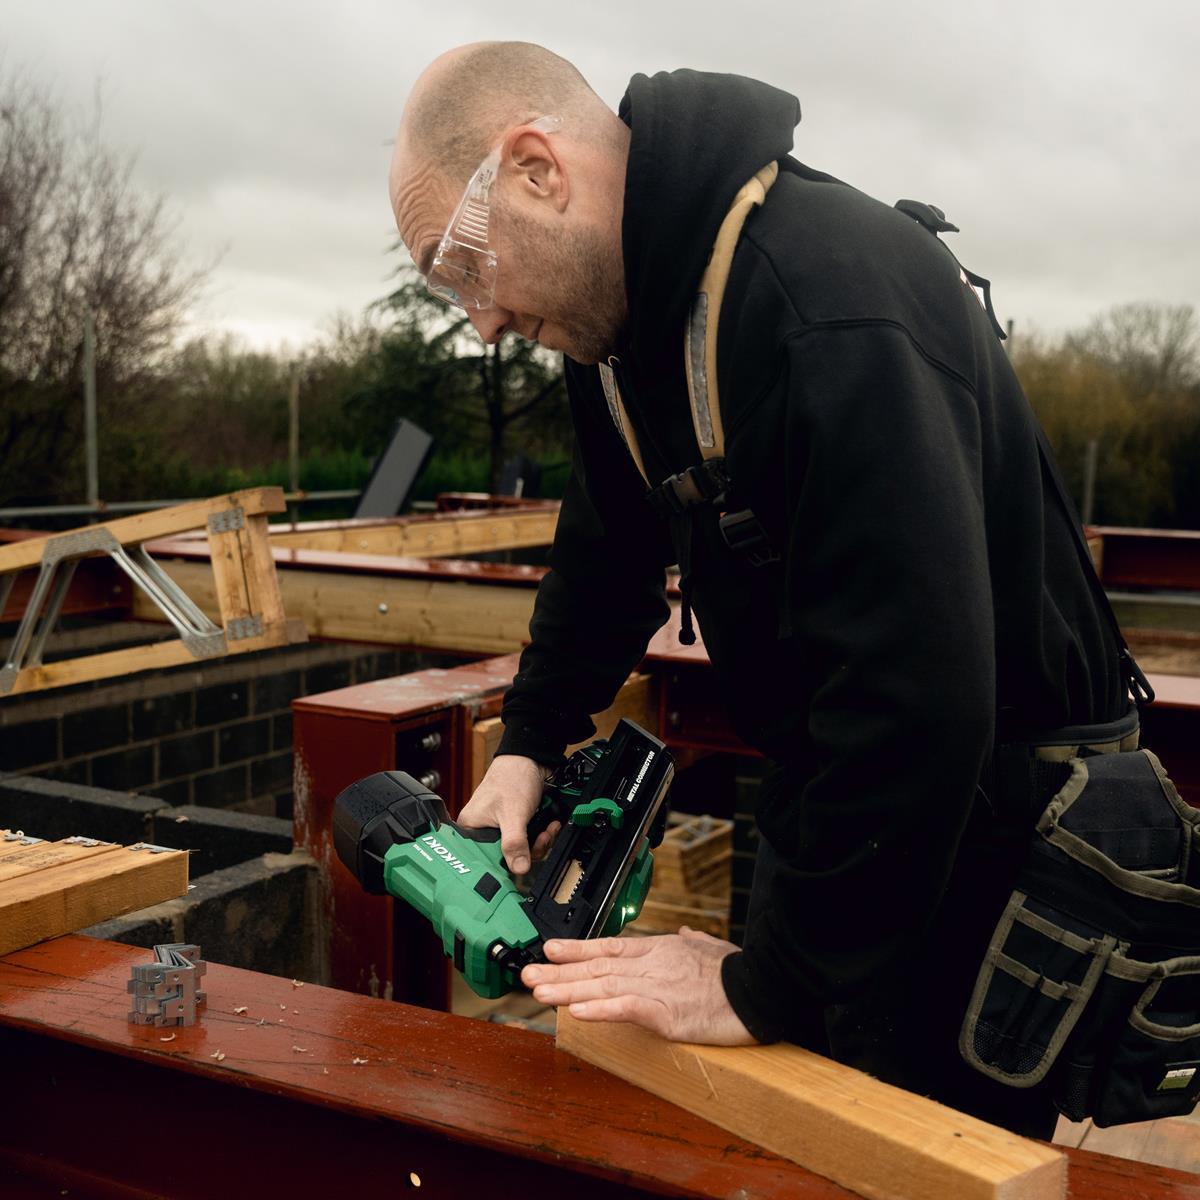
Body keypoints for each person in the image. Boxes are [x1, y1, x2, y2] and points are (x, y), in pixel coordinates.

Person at [389, 41, 1132, 1137]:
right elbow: (605, 552)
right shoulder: (618, 332)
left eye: (463, 265)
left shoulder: (824, 301)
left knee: (903, 1152)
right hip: (852, 802)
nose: (482, 322)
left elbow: (920, 693)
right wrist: (529, 742)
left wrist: (771, 982)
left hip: (985, 835)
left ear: (539, 169)